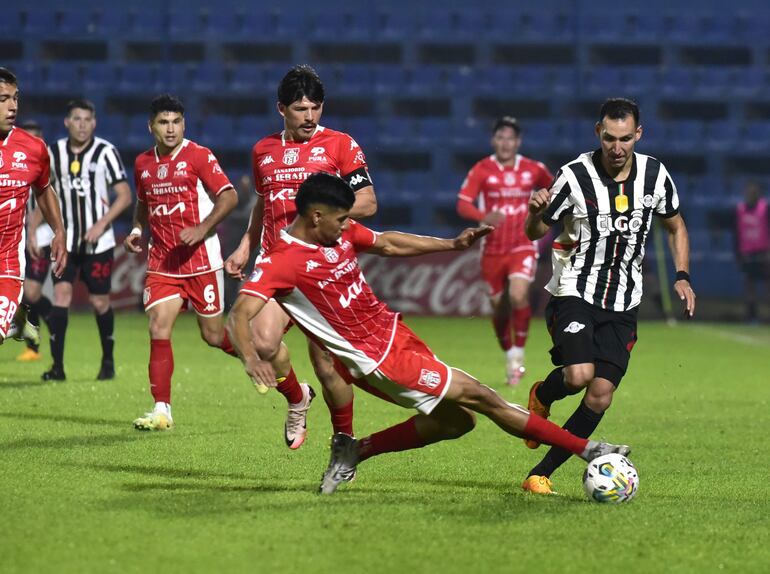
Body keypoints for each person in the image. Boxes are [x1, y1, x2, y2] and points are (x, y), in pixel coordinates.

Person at [226, 172, 631, 495]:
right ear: (316, 216)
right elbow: (239, 315)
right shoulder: (281, 261)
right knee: (484, 397)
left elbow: (387, 243)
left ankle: (355, 449)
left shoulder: (337, 231)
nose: (348, 225)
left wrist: (452, 244)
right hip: (382, 361)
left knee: (457, 422)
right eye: (341, 218)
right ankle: (589, 449)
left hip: (397, 334)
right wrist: (249, 357)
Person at [520, 98, 696, 495]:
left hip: (624, 302)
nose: (617, 149)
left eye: (625, 139)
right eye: (609, 138)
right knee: (579, 375)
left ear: (638, 134)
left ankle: (541, 473)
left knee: (600, 394)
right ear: (597, 132)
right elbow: (534, 233)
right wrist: (534, 211)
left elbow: (676, 225)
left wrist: (682, 276)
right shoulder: (573, 176)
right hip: (576, 290)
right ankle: (544, 393)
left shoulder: (655, 175)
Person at [225, 65, 377, 449]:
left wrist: (323, 216)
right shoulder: (263, 151)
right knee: (261, 341)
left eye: (315, 108)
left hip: (324, 270)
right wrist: (247, 242)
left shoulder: (341, 145)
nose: (309, 117)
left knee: (327, 366)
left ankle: (345, 442)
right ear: (281, 109)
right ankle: (296, 397)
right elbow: (264, 201)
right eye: (300, 109)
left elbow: (368, 202)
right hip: (278, 264)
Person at [456, 116, 553, 386]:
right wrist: (483, 214)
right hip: (492, 248)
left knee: (519, 294)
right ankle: (509, 353)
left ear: (518, 142)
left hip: (522, 244)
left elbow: (555, 188)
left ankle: (518, 357)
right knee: (499, 308)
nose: (505, 143)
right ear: (493, 140)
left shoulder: (534, 169)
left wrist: (546, 211)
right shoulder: (482, 169)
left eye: (510, 138)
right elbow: (462, 204)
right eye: (500, 137)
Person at [41, 99, 132, 381]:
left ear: (94, 122)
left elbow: (125, 194)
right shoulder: (53, 152)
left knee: (99, 301)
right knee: (61, 296)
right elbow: (43, 193)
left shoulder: (105, 152)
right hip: (64, 242)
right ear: (67, 122)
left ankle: (108, 362)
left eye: (87, 119)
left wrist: (102, 224)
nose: (82, 124)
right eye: (76, 119)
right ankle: (57, 368)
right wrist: (35, 228)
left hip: (99, 244)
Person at [0, 67, 67, 346]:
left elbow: (44, 189)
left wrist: (59, 231)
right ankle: (16, 319)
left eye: (16, 98)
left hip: (7, 262)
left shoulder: (33, 149)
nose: (13, 106)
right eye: (3, 99)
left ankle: (11, 315)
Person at [16, 120, 54, 361]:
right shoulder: (13, 157)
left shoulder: (45, 161)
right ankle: (35, 341)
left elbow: (46, 199)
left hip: (40, 236)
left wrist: (31, 231)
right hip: (18, 235)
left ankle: (43, 334)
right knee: (22, 293)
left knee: (30, 291)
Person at [735, 181, 769, 323]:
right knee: (750, 286)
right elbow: (737, 232)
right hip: (747, 253)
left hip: (764, 252)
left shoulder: (765, 208)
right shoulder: (740, 210)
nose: (751, 194)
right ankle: (752, 315)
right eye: (749, 192)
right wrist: (738, 253)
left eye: (754, 192)